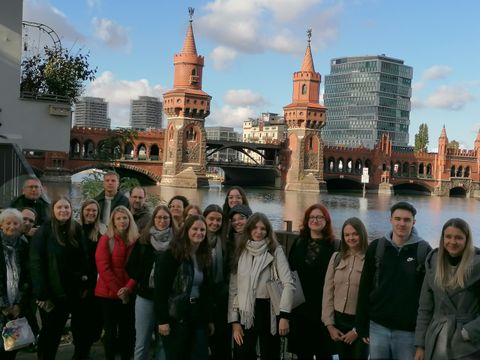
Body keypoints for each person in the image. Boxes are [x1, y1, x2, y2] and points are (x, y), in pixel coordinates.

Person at [356, 201, 431, 360]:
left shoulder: (423, 251)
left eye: (406, 220)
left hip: (408, 331)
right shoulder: (377, 247)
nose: (401, 223)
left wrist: (422, 340)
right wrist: (361, 324)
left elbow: (429, 297)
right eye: (397, 219)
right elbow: (364, 286)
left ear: (413, 222)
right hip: (378, 327)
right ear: (390, 220)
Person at [30, 196, 90, 360]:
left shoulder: (76, 228)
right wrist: (42, 294)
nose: (63, 210)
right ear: (53, 210)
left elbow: (85, 257)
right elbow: (36, 263)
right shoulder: (44, 231)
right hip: (54, 293)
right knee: (50, 333)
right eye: (59, 207)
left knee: (80, 329)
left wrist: (85, 285)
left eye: (67, 208)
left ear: (71, 210)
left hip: (75, 291)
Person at [228, 212, 294, 360]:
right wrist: (234, 322)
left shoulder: (275, 251)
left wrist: (284, 316)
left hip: (269, 310)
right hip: (245, 311)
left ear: (268, 231)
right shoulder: (241, 251)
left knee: (270, 353)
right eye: (255, 228)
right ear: (249, 229)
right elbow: (234, 289)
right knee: (242, 354)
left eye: (263, 228)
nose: (258, 232)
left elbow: (288, 283)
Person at [414, 218, 480, 360]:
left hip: (467, 346)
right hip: (436, 339)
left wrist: (468, 332)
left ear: (467, 240)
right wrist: (420, 345)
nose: (452, 242)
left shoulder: (477, 266)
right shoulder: (433, 264)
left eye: (458, 238)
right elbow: (425, 308)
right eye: (448, 237)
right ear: (443, 238)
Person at [154, 214, 214, 360]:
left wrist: (209, 319)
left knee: (199, 355)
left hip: (197, 313)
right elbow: (160, 290)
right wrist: (162, 320)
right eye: (195, 229)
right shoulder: (171, 255)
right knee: (177, 355)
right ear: (186, 230)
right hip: (176, 314)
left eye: (202, 230)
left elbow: (206, 290)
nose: (199, 233)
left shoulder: (203, 256)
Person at [288, 203, 336, 360]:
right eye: (312, 217)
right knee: (303, 354)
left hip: (323, 310)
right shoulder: (298, 243)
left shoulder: (334, 247)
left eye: (320, 217)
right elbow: (290, 274)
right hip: (300, 309)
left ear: (326, 221)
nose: (315, 220)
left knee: (324, 354)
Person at [126, 205, 175, 360]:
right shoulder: (144, 241)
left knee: (164, 342)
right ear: (153, 219)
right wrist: (145, 276)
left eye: (165, 218)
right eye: (159, 217)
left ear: (170, 220)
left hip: (168, 299)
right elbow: (130, 266)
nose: (162, 221)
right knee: (142, 341)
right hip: (145, 296)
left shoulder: (177, 243)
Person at [322, 217, 369, 360]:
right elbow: (328, 292)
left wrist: (359, 329)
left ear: (362, 234)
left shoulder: (370, 259)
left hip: (359, 323)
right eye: (347, 235)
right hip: (339, 321)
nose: (351, 238)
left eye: (355, 234)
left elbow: (373, 297)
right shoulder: (336, 257)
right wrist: (329, 325)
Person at [95, 205, 138, 360]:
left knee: (128, 331)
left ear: (130, 220)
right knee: (111, 331)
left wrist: (128, 288)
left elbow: (140, 267)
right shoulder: (106, 239)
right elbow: (103, 268)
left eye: (125, 218)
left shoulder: (136, 240)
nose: (122, 221)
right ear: (113, 221)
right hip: (108, 294)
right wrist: (120, 291)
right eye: (118, 218)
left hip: (129, 292)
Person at [77, 199, 107, 357]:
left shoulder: (101, 234)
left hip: (95, 283)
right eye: (88, 210)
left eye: (94, 211)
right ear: (82, 211)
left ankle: (86, 346)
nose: (91, 213)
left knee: (94, 321)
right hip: (78, 283)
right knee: (80, 320)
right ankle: (81, 351)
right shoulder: (75, 230)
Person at [0, 209, 29, 360]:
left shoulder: (24, 245)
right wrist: (3, 305)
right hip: (2, 305)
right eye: (8, 223)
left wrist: (19, 304)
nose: (12, 226)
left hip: (16, 305)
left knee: (12, 346)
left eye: (16, 223)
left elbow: (26, 277)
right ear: (1, 225)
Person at [203, 204, 231, 360]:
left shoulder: (226, 243)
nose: (215, 223)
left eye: (219, 220)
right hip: (202, 298)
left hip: (221, 299)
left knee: (221, 344)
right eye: (211, 219)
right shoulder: (197, 239)